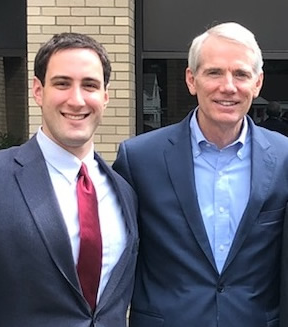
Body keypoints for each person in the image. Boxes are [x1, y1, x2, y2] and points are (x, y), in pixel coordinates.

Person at [113, 22, 288, 327]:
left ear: (257, 83)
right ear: (191, 80)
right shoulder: (139, 158)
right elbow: (115, 257)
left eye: (241, 74)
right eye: (214, 72)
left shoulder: (285, 157)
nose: (228, 86)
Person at [0, 32, 138, 326]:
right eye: (62, 83)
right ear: (38, 91)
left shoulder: (124, 192)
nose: (77, 99)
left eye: (90, 85)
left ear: (105, 98)